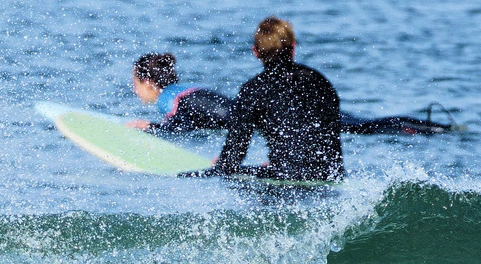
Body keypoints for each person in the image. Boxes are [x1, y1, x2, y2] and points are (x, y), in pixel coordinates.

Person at [210, 17, 344, 181]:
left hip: (284, 179)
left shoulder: (253, 90)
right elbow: (329, 143)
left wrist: (219, 165)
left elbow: (232, 160)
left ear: (256, 52)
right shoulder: (320, 82)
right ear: (293, 48)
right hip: (329, 176)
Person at [124, 53, 236, 133]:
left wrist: (149, 127)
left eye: (135, 84)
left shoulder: (166, 98)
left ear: (147, 83)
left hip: (236, 124)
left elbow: (179, 129)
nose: (135, 90)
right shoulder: (179, 90)